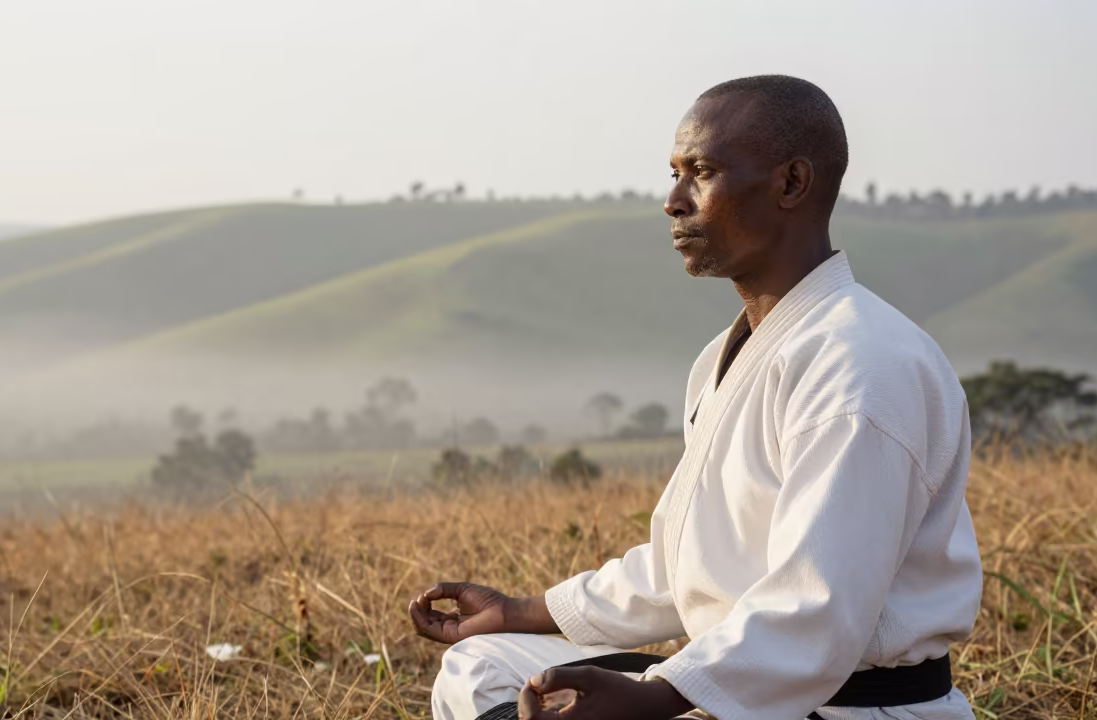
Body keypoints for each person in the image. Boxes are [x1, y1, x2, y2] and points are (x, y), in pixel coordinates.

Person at [408, 75, 983, 720]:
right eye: (674, 173)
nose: (673, 201)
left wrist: (658, 697)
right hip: (729, 685)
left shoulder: (859, 364)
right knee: (483, 666)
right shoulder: (728, 353)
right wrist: (519, 612)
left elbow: (816, 610)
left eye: (701, 172)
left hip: (848, 707)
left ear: (791, 183)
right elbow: (689, 566)